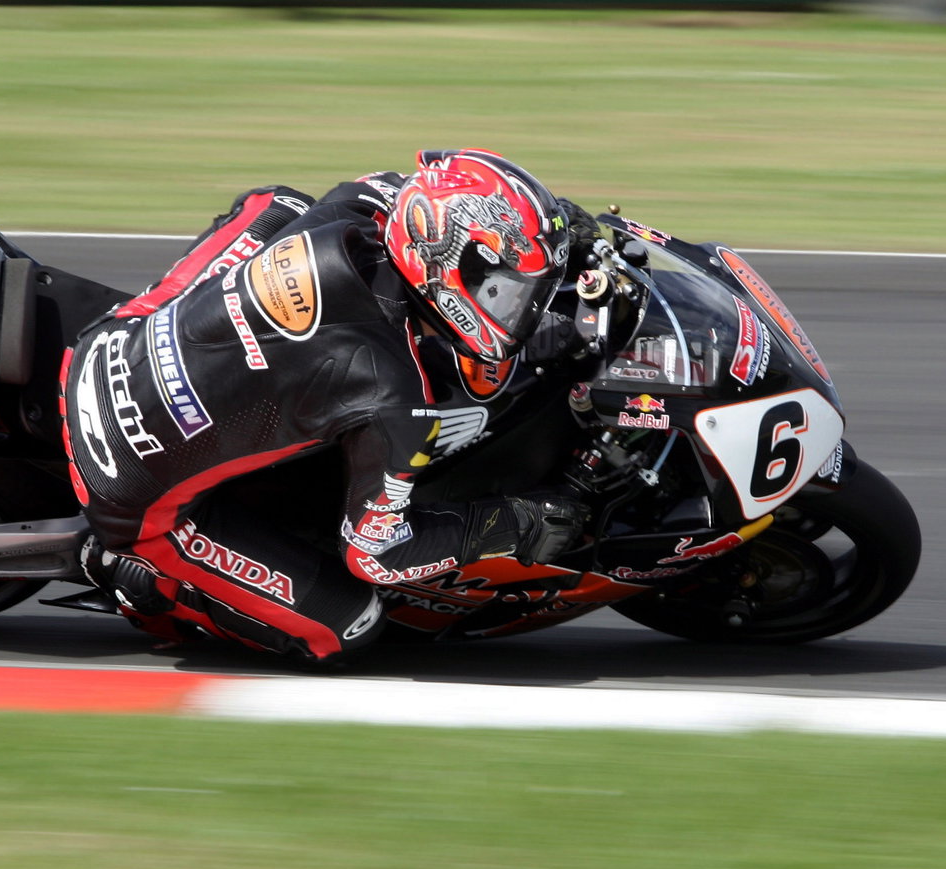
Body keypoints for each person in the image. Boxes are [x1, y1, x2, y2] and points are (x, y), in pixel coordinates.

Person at [62, 148, 596, 665]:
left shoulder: (368, 208)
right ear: (444, 268)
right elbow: (376, 556)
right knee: (346, 624)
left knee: (280, 206)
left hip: (111, 340)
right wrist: (512, 523)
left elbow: (396, 185)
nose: (520, 310)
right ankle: (133, 575)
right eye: (504, 291)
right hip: (126, 480)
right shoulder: (392, 393)